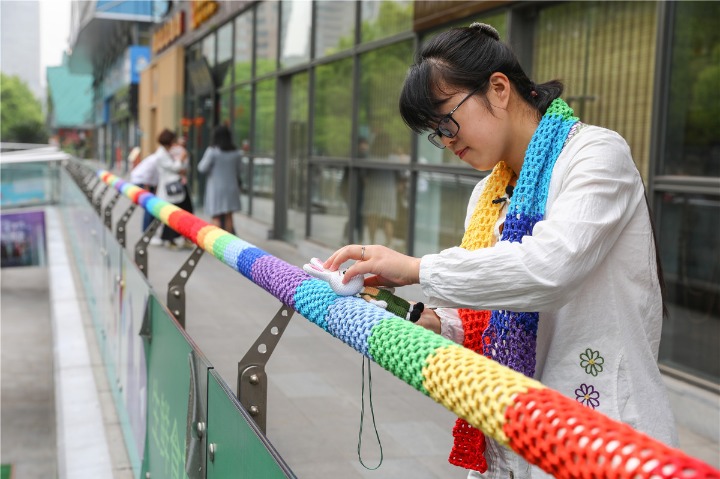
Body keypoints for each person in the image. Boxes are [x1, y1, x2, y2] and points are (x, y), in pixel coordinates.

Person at [323, 22, 677, 479]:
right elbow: (475, 319)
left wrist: (414, 268)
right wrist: (405, 312)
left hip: (603, 431)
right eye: (436, 132)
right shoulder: (489, 193)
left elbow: (548, 269)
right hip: (511, 436)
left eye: (447, 120)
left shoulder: (596, 155)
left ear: (498, 88)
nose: (446, 140)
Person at [197, 125, 243, 234]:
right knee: (229, 216)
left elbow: (202, 168)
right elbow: (240, 170)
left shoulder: (212, 151)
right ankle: (230, 246)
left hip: (216, 188)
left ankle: (217, 245)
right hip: (232, 187)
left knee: (216, 216)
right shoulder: (236, 152)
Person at [155, 128, 192, 249]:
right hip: (171, 188)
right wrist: (181, 159)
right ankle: (170, 239)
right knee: (173, 213)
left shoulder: (166, 152)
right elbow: (175, 167)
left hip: (175, 187)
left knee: (182, 212)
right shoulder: (161, 154)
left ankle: (183, 237)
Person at [362, 132, 398, 246]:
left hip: (373, 189)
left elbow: (364, 175)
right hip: (389, 190)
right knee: (387, 218)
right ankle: (389, 244)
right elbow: (401, 176)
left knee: (372, 216)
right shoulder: (393, 159)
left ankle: (372, 243)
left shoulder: (370, 157)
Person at [129, 147, 161, 241]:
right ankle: (147, 233)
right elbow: (147, 176)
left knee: (151, 206)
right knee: (150, 206)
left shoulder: (155, 158)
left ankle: (148, 233)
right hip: (140, 182)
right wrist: (148, 192)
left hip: (142, 182)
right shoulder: (155, 160)